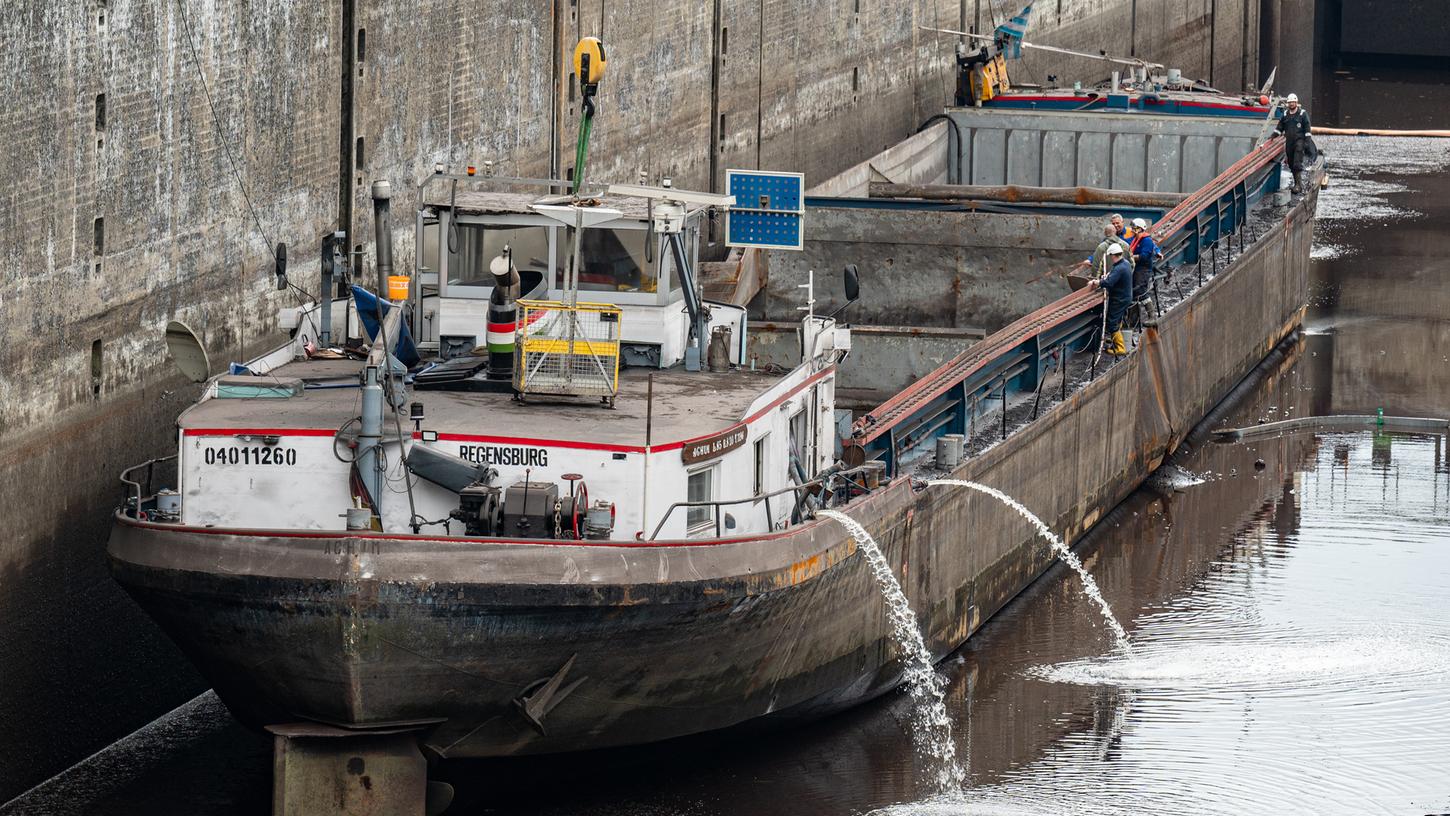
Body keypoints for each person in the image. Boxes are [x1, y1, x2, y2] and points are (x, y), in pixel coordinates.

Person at [1089, 243, 1132, 356]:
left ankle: (1120, 348)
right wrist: (1107, 276)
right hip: (1125, 297)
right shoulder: (1125, 263)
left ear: (1113, 255)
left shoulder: (1119, 268)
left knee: (1112, 322)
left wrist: (1097, 282)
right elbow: (1113, 276)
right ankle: (1116, 339)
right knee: (1118, 319)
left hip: (1119, 299)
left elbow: (1109, 283)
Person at [1276, 93, 1312, 193]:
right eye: (1290, 102)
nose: (1291, 104)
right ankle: (1296, 182)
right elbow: (1279, 128)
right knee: (1291, 163)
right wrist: (1273, 136)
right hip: (1289, 142)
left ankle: (1298, 185)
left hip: (1299, 141)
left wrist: (1307, 142)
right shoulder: (1285, 115)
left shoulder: (1302, 114)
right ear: (1288, 104)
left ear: (1296, 103)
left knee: (1297, 163)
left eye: (1293, 102)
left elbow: (1307, 129)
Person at [1128, 217, 1159, 303]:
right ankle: (1135, 315)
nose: (1132, 230)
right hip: (1136, 268)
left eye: (1134, 228)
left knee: (1140, 292)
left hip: (1143, 269)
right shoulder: (1136, 239)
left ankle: (1151, 314)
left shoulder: (1146, 240)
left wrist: (1130, 257)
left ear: (1140, 229)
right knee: (1134, 291)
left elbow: (1144, 256)